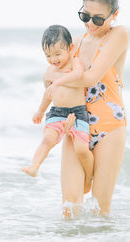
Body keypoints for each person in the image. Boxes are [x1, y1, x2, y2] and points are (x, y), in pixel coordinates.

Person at [44, 0, 128, 217]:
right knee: (69, 208)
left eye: (98, 19)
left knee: (100, 212)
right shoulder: (76, 43)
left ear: (114, 15)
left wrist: (57, 79)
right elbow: (50, 76)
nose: (90, 24)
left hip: (109, 128)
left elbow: (90, 77)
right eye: (85, 16)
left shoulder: (119, 34)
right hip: (75, 123)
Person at [21, 25, 94, 194]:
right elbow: (48, 94)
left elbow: (77, 76)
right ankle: (34, 166)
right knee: (47, 139)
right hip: (57, 112)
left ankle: (89, 177)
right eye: (48, 55)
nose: (53, 59)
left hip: (78, 113)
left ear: (70, 48)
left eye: (57, 54)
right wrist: (40, 110)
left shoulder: (75, 63)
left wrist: (58, 81)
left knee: (81, 149)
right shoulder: (49, 71)